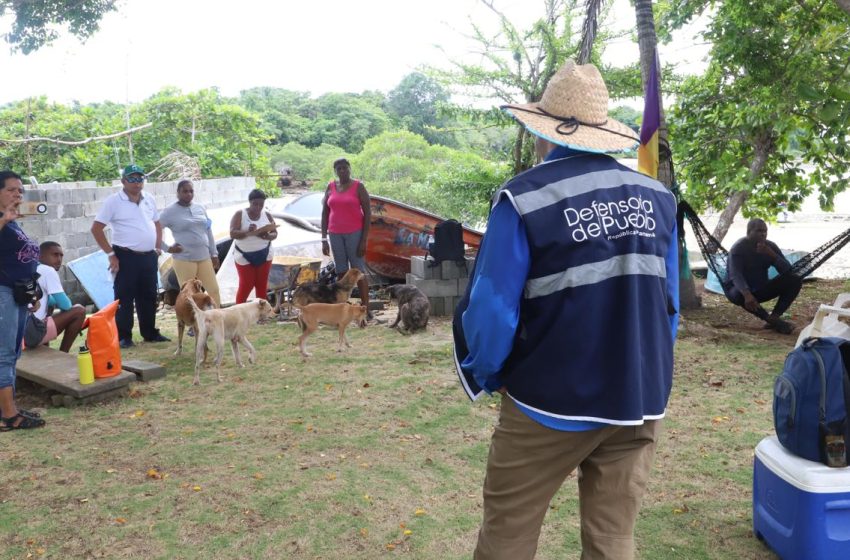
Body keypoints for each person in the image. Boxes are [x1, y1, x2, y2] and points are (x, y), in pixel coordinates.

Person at [453, 61, 679, 560]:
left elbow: (492, 310)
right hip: (638, 397)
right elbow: (670, 308)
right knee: (613, 536)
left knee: (508, 530)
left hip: (548, 401)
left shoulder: (524, 198)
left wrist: (488, 373)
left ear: (543, 132)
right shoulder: (660, 199)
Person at [91, 164, 170, 349]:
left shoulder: (149, 198)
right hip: (125, 256)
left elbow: (157, 224)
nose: (137, 183)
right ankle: (124, 336)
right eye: (132, 179)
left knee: (149, 295)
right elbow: (96, 228)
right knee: (124, 297)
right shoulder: (113, 201)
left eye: (140, 178)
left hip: (148, 256)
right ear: (123, 181)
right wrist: (111, 254)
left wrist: (158, 247)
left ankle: (150, 332)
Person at [0, 170, 46, 430]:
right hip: (3, 293)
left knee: (13, 352)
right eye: (11, 190)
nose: (17, 194)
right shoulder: (4, 220)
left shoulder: (13, 221)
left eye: (20, 190)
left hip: (17, 292)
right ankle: (8, 416)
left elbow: (21, 261)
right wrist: (5, 219)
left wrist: (33, 292)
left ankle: (9, 408)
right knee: (4, 353)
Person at [726, 218, 802, 334]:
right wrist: (747, 294)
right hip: (740, 290)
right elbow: (735, 274)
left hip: (761, 289)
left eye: (765, 231)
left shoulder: (770, 246)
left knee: (795, 280)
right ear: (749, 232)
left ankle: (775, 316)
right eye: (758, 231)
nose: (763, 234)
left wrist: (771, 254)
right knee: (737, 293)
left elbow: (788, 271)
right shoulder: (739, 248)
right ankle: (771, 320)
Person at [321, 158, 372, 317]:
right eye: (339, 168)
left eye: (345, 168)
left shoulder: (359, 187)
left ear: (350, 169)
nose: (342, 171)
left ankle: (365, 309)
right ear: (335, 171)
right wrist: (324, 238)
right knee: (341, 272)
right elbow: (325, 213)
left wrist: (364, 239)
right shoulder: (330, 187)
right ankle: (343, 310)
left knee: (358, 271)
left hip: (355, 234)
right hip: (335, 234)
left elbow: (368, 214)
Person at [159, 179, 222, 306]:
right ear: (178, 193)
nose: (188, 194)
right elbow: (154, 230)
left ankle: (217, 320)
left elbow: (208, 231)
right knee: (190, 295)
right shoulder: (169, 211)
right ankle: (193, 324)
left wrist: (214, 254)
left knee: (213, 290)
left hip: (204, 257)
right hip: (184, 259)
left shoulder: (200, 208)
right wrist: (166, 248)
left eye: (191, 191)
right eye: (185, 191)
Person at [28, 241, 86, 353]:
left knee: (49, 306)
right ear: (40, 256)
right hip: (31, 334)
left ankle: (44, 349)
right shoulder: (48, 271)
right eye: (55, 255)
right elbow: (66, 305)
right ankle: (64, 353)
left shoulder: (29, 268)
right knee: (79, 310)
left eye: (61, 255)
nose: (59, 259)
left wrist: (50, 300)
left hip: (17, 332)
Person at [229, 188, 278, 303]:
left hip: (265, 254)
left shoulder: (267, 215)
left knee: (261, 285)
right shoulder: (240, 214)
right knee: (246, 284)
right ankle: (239, 312)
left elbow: (275, 233)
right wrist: (247, 232)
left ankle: (261, 315)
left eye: (261, 204)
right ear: (249, 202)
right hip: (243, 255)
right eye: (255, 204)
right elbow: (232, 233)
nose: (258, 207)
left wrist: (266, 236)